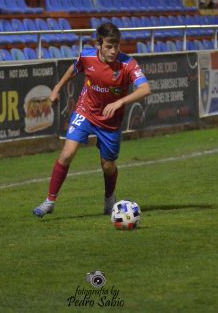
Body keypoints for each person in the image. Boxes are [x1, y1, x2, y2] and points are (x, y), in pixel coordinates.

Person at [33, 22, 152, 218]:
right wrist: (56, 89)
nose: (113, 51)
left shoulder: (127, 64)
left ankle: (109, 198)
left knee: (107, 165)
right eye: (108, 46)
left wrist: (120, 102)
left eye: (116, 46)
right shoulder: (87, 56)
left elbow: (145, 89)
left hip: (110, 121)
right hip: (85, 111)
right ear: (99, 44)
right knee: (67, 154)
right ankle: (50, 201)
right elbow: (73, 70)